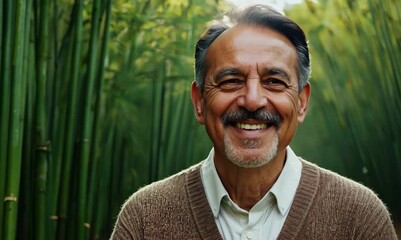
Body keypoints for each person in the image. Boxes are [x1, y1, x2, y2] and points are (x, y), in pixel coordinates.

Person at [110, 4, 398, 240]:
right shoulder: (145, 219)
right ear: (199, 102)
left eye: (274, 81)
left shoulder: (358, 218)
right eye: (231, 80)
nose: (252, 100)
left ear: (301, 102)